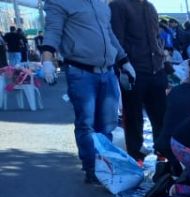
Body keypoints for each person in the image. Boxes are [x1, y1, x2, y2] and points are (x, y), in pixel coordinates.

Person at [40, 0, 134, 184]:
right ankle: (92, 169)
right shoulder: (59, 3)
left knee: (107, 125)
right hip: (81, 72)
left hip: (107, 72)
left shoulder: (100, 4)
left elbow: (109, 34)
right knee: (87, 125)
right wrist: (47, 60)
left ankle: (104, 165)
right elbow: (52, 31)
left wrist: (124, 60)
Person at [110, 0, 170, 163]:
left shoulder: (150, 7)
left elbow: (156, 36)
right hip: (134, 70)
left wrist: (162, 58)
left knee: (161, 115)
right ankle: (136, 156)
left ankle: (163, 153)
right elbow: (116, 40)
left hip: (156, 70)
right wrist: (123, 66)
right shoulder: (118, 6)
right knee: (133, 116)